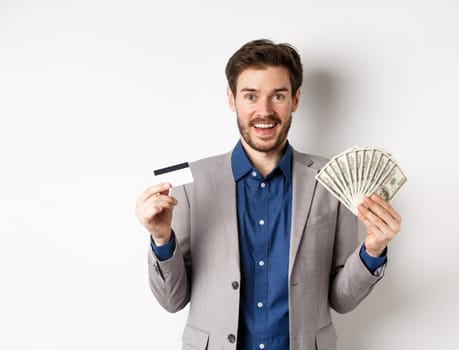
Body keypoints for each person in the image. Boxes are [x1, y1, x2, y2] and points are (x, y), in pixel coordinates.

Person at [135, 39, 402, 350]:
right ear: (231, 99)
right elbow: (172, 300)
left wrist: (372, 250)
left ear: (296, 99)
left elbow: (341, 300)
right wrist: (160, 239)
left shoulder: (331, 180)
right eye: (251, 96)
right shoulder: (190, 183)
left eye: (278, 95)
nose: (264, 111)